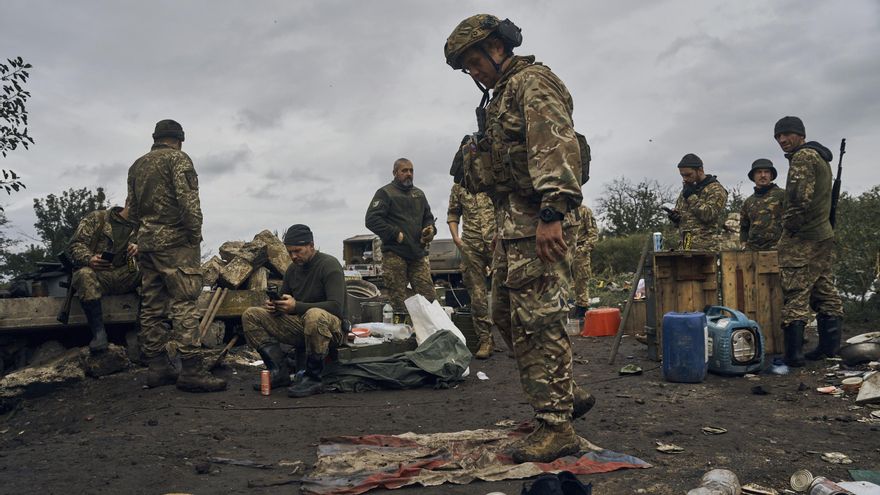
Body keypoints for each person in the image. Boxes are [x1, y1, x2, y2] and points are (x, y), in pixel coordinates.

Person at [445, 14, 595, 463]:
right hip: (512, 229)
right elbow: (501, 177)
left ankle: (557, 425)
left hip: (540, 224)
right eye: (467, 67)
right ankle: (564, 393)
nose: (474, 72)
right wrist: (498, 235)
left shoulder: (533, 83)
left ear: (497, 47)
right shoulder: (500, 97)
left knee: (540, 322)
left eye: (475, 62)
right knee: (504, 316)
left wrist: (552, 212)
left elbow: (556, 148)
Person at [127, 119, 226, 392]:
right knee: (184, 302)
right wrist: (193, 235)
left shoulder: (137, 166)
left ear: (155, 138)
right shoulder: (179, 159)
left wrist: (140, 237)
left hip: (146, 244)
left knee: (152, 306)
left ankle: (157, 368)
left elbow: (133, 210)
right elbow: (189, 203)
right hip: (176, 244)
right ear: (180, 139)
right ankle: (192, 370)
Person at [241, 225, 346, 397]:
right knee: (251, 314)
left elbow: (336, 307)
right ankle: (279, 371)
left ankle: (313, 378)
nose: (293, 256)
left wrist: (296, 306)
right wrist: (276, 307)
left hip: (332, 330)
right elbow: (286, 302)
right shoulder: (292, 270)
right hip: (302, 326)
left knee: (314, 315)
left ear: (311, 245)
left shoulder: (329, 265)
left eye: (298, 251)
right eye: (290, 252)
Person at [773, 116, 844, 366]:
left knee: (795, 290)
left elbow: (797, 199)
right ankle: (829, 348)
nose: (782, 140)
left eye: (787, 135)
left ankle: (793, 355)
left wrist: (788, 229)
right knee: (824, 287)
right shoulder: (820, 157)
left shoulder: (803, 157)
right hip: (823, 234)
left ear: (800, 135)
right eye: (778, 137)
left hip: (803, 236)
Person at [365, 158, 437, 311]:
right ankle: (403, 334)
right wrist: (395, 234)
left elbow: (428, 217)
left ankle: (430, 333)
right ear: (395, 172)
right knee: (399, 301)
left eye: (411, 170)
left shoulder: (419, 194)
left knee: (429, 298)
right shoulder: (385, 193)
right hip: (395, 254)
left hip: (417, 254)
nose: (408, 174)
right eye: (404, 171)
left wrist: (429, 230)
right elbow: (371, 219)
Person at [68, 201, 140, 353]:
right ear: (128, 202)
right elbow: (76, 245)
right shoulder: (97, 218)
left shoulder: (142, 228)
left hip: (126, 276)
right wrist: (90, 259)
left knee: (152, 273)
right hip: (99, 276)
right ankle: (99, 334)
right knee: (83, 274)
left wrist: (140, 248)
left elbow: (158, 250)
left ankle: (142, 331)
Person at [447, 182, 497, 359]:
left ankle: (517, 340)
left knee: (506, 292)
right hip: (471, 245)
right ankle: (485, 340)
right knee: (477, 295)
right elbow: (453, 213)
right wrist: (456, 239)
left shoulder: (493, 178)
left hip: (497, 243)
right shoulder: (459, 187)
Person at [666, 153, 728, 251]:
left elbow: (709, 215)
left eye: (688, 175)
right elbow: (686, 219)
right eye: (682, 175)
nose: (685, 179)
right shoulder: (687, 189)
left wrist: (691, 197)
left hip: (706, 250)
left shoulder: (715, 189)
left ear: (700, 170)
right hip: (685, 248)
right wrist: (675, 217)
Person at [740, 159, 785, 251]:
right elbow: (744, 227)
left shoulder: (783, 195)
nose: (763, 175)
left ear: (771, 175)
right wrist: (743, 244)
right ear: (753, 176)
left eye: (766, 172)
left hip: (778, 251)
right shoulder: (748, 202)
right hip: (753, 252)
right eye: (759, 172)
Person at [572, 204, 599, 318]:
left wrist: (583, 249)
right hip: (562, 250)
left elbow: (593, 234)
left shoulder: (584, 211)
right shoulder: (561, 209)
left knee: (581, 282)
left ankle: (582, 311)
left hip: (579, 251)